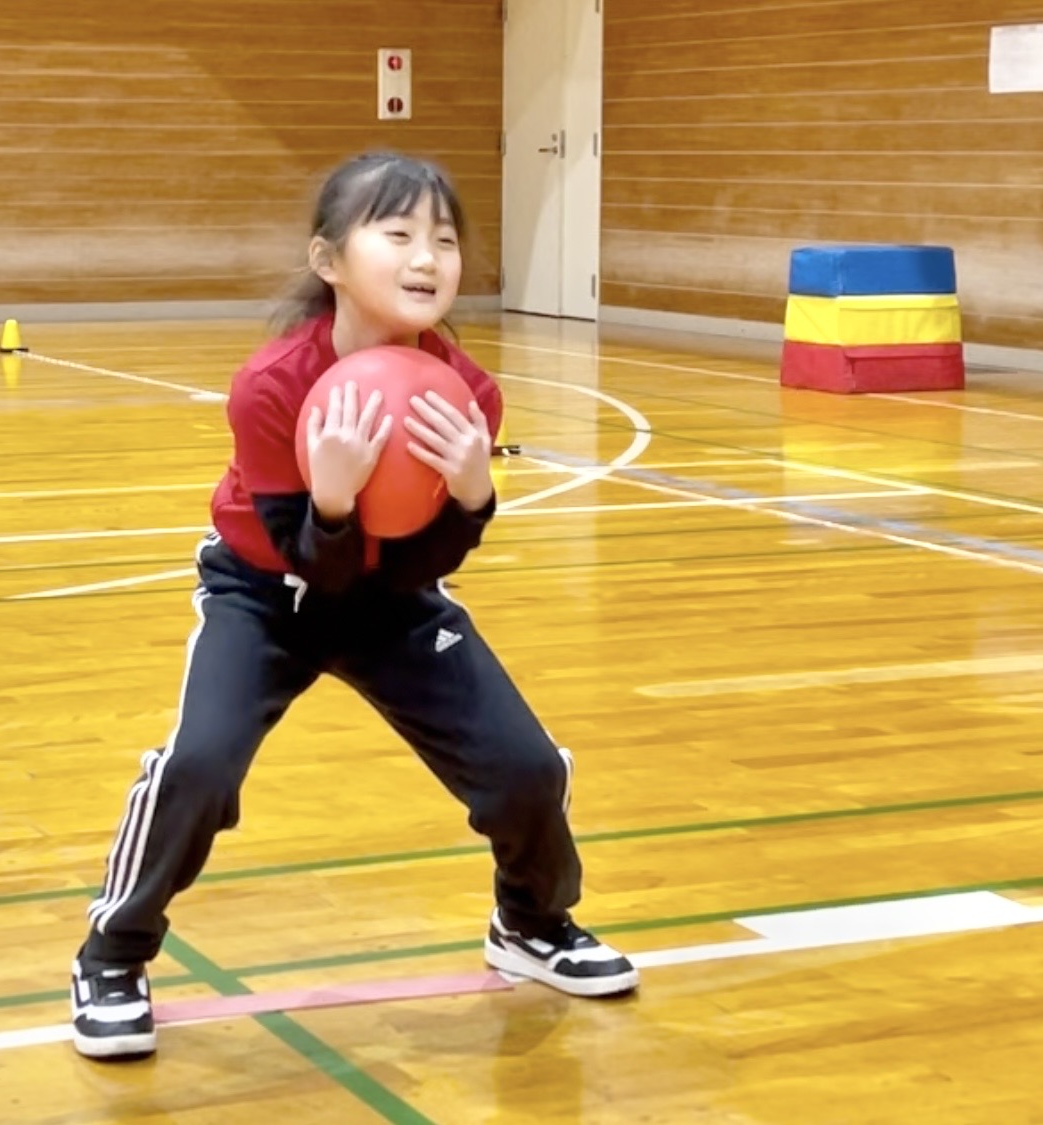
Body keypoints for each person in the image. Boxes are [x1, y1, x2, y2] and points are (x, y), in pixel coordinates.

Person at [70, 151, 638, 1061]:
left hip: (394, 599)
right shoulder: (271, 388)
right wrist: (332, 502)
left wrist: (471, 495)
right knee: (201, 767)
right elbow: (310, 561)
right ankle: (112, 953)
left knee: (526, 767)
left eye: (445, 240)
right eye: (399, 232)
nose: (428, 257)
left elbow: (428, 560)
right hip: (266, 594)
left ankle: (531, 922)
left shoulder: (470, 395)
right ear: (329, 260)